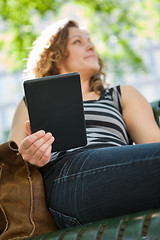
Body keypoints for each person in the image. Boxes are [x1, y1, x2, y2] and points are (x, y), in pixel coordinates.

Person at [9, 19, 160, 229]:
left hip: (118, 175)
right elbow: (10, 164)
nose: (91, 46)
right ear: (55, 55)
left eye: (90, 41)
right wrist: (29, 156)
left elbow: (153, 147)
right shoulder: (30, 103)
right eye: (78, 42)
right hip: (63, 182)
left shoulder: (122, 95)